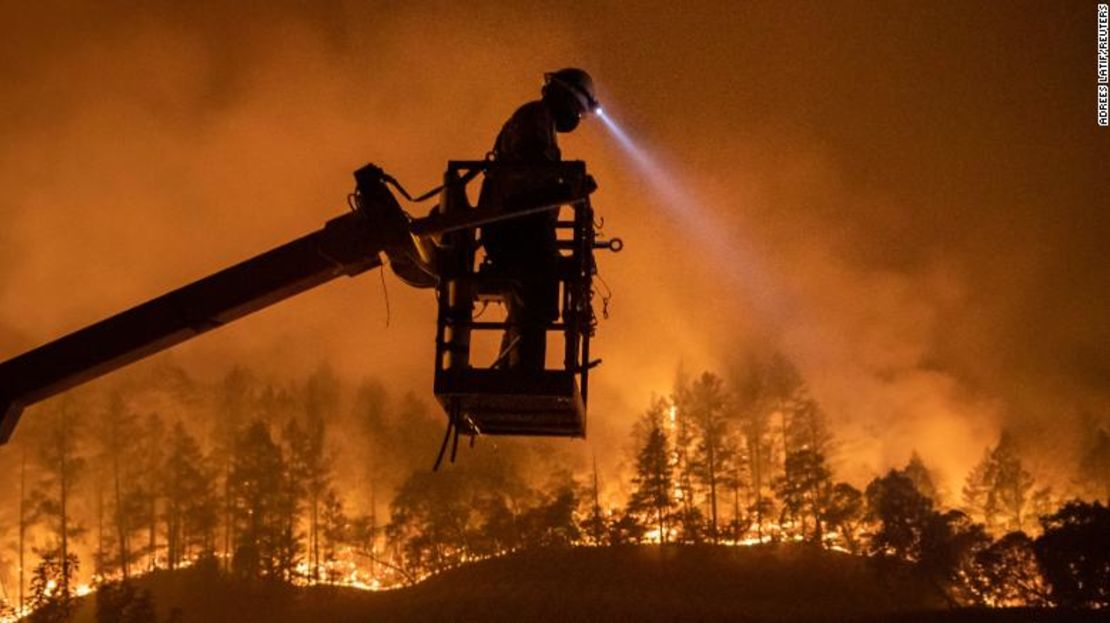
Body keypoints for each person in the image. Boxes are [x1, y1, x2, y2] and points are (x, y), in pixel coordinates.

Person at [480, 68, 600, 372]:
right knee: (536, 297)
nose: (576, 118)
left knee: (531, 301)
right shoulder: (534, 118)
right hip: (515, 226)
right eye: (577, 110)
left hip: (519, 228)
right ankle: (523, 373)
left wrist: (567, 187)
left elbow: (537, 178)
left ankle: (514, 368)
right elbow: (533, 174)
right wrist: (568, 186)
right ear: (565, 97)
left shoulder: (540, 122)